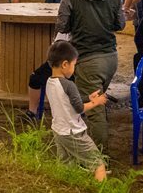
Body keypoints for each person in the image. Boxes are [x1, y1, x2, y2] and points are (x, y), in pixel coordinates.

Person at [55, 0, 125, 147]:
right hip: (110, 57)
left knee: (94, 110)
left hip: (86, 59)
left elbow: (62, 25)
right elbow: (120, 24)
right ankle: (96, 151)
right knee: (97, 101)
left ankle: (98, 157)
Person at [43, 40, 108, 183]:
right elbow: (79, 108)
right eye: (74, 65)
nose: (74, 69)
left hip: (59, 131)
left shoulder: (49, 82)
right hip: (74, 132)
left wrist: (88, 98)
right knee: (98, 164)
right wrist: (96, 102)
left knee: (66, 166)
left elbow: (67, 101)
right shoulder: (69, 84)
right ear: (65, 64)